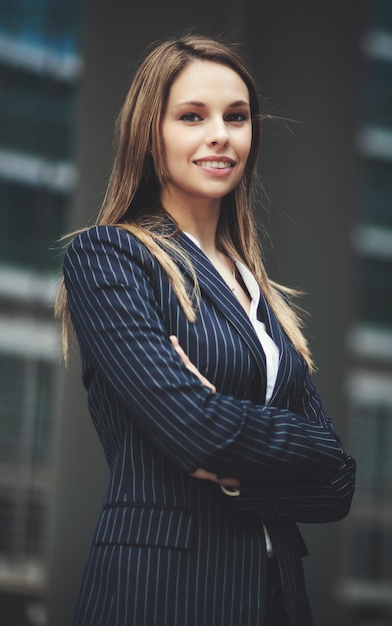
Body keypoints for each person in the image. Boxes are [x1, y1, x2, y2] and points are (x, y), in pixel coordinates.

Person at [56, 34, 356, 626]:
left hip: (277, 596)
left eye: (237, 117)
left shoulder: (262, 292)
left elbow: (338, 480)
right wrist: (292, 444)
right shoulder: (110, 258)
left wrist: (240, 471)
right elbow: (197, 433)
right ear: (151, 133)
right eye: (193, 116)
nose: (220, 133)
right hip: (165, 590)